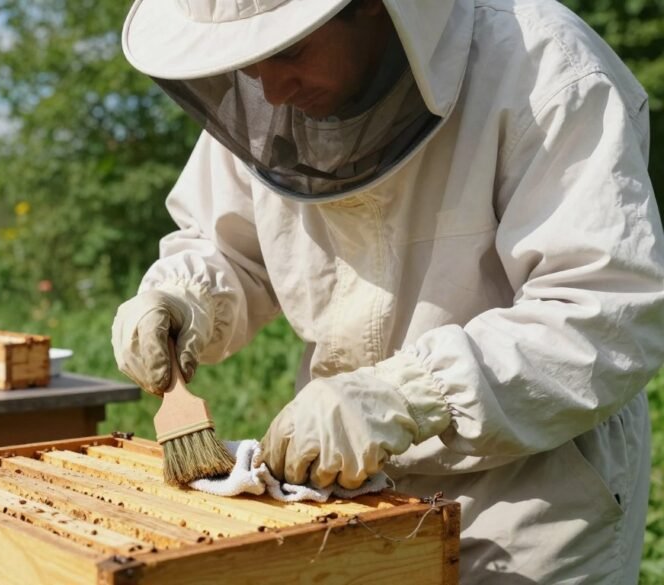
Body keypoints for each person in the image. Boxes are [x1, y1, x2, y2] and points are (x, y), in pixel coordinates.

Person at [111, 0, 664, 582]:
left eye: (288, 50)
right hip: (346, 493)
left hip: (530, 498)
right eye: (247, 64)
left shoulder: (544, 68)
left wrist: (408, 396)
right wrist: (182, 298)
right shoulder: (275, 100)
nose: (270, 90)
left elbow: (602, 309)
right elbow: (228, 244)